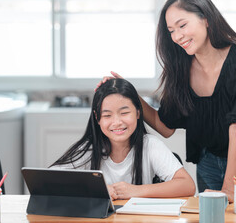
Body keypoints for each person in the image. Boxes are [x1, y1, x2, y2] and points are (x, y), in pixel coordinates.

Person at [96, 0, 236, 202]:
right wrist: (129, 94)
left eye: (182, 25)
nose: (177, 36)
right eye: (171, 30)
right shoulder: (180, 68)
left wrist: (229, 188)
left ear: (206, 18)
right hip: (208, 166)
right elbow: (165, 127)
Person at [51, 78, 196, 200]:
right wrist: (97, 190)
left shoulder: (150, 145)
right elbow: (50, 181)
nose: (117, 122)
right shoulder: (89, 149)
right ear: (97, 118)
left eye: (124, 113)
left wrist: (136, 191)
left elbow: (187, 185)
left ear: (138, 112)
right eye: (107, 115)